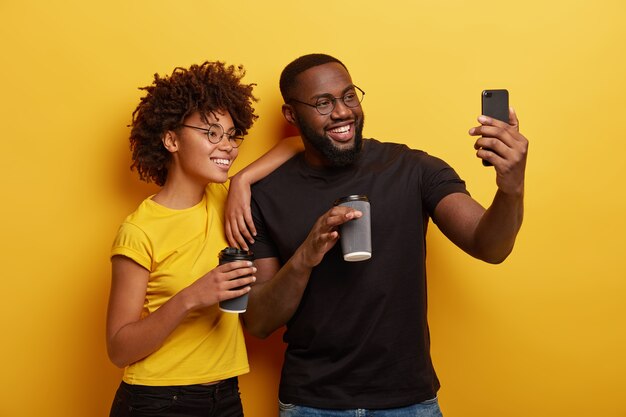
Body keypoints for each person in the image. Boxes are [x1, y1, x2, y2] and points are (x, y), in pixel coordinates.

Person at [225, 53, 528, 416]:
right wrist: (306, 255)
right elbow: (258, 321)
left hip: (409, 403)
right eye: (323, 103)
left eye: (349, 96)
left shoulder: (413, 169)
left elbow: (490, 246)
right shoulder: (266, 196)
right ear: (292, 115)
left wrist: (511, 188)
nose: (341, 112)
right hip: (312, 405)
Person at [106, 61, 299, 417]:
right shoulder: (139, 230)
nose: (227, 146)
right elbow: (119, 348)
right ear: (171, 139)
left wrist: (242, 181)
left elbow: (297, 144)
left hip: (225, 396)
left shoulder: (229, 199)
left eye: (231, 134)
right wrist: (192, 297)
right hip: (157, 401)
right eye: (211, 133)